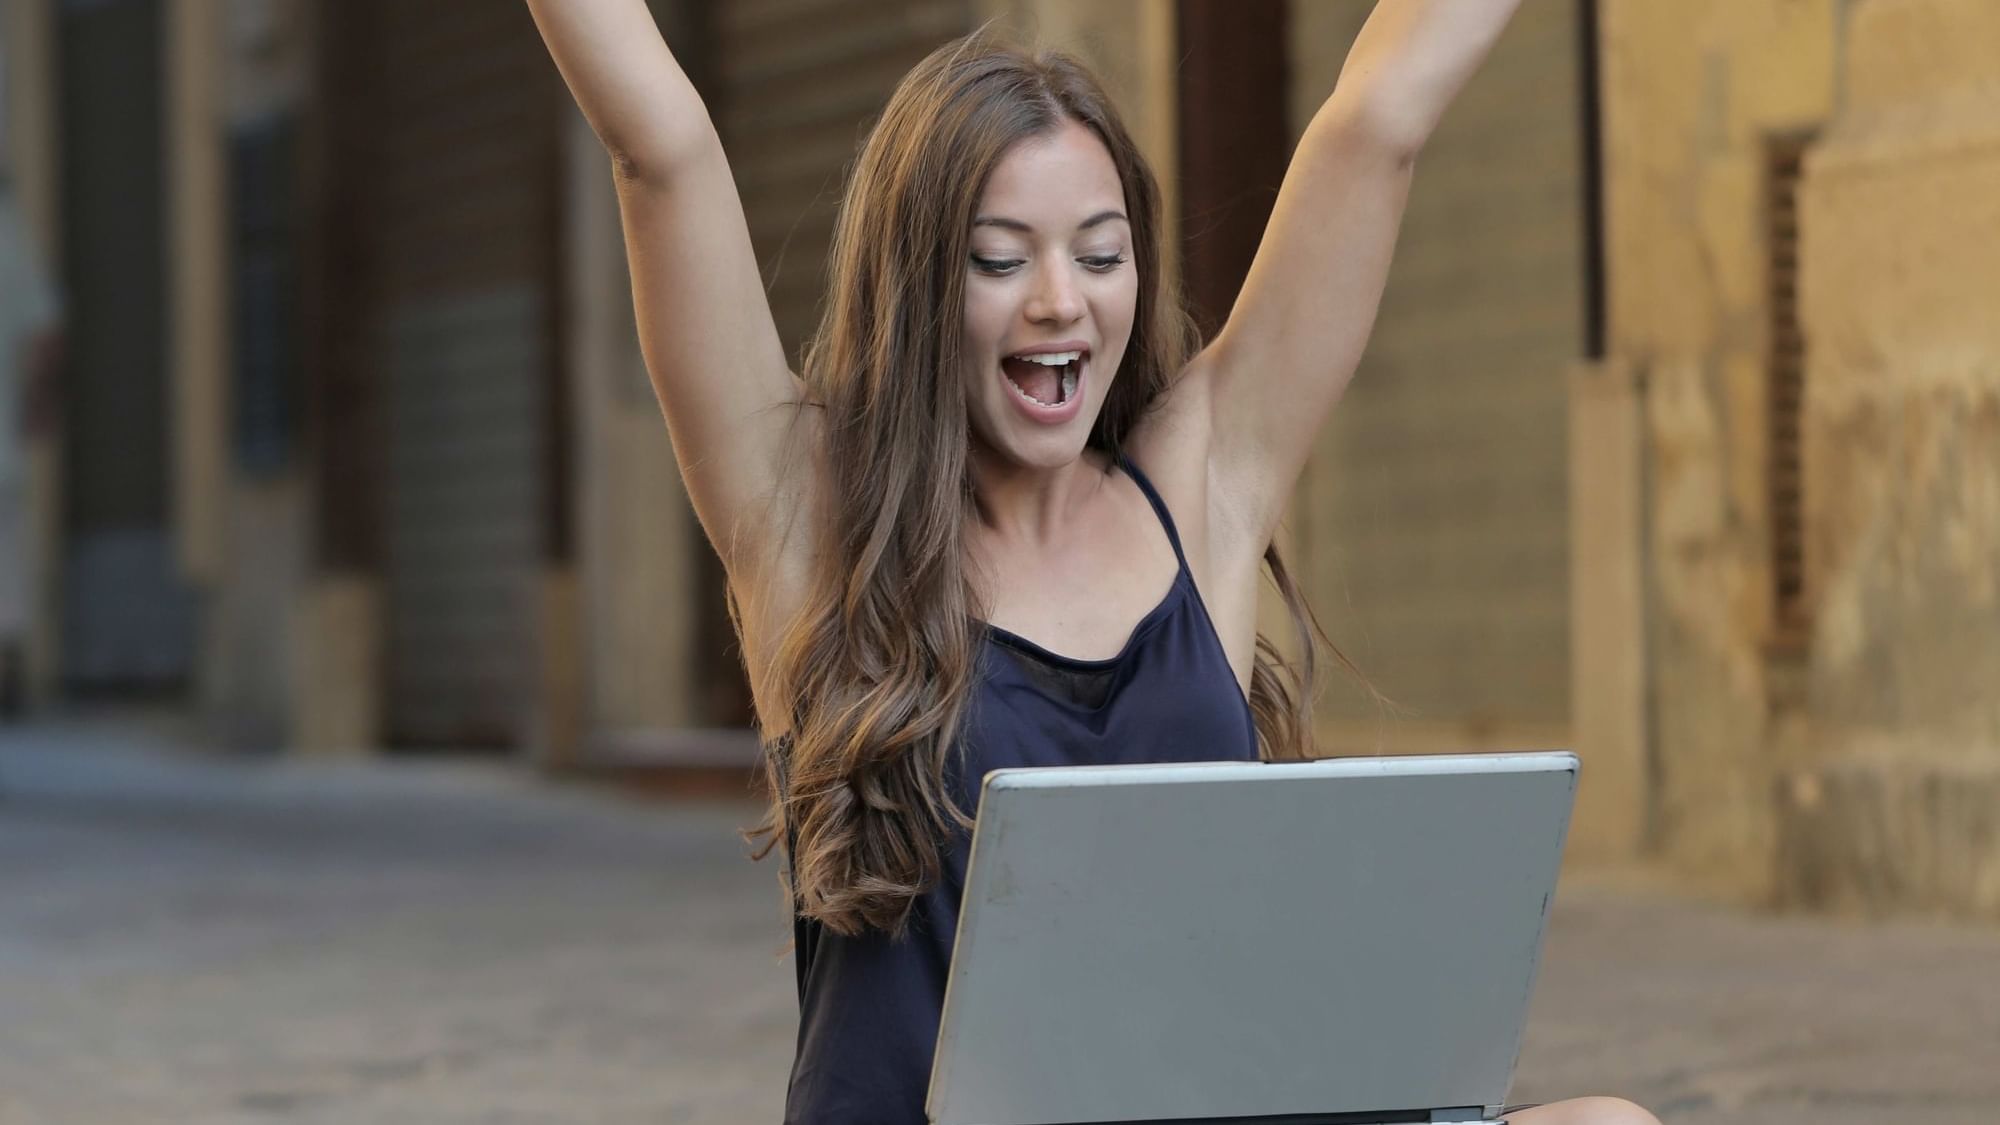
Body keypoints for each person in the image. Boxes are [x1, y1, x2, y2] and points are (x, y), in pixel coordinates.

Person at [527, 3, 1661, 1124]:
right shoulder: (810, 517)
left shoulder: (1199, 485)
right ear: (918, 287)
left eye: (1100, 253)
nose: (1059, 300)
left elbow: (1374, 124)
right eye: (997, 259)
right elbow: (659, 150)